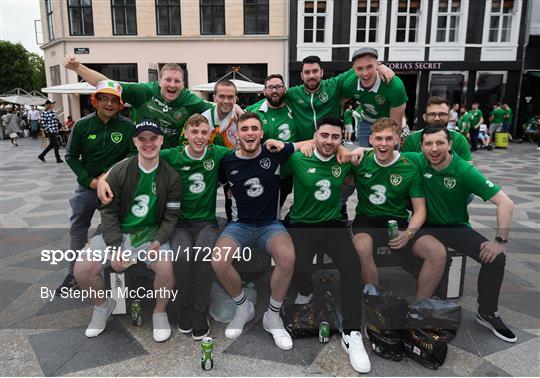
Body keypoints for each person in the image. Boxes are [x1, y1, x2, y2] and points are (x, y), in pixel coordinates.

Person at [74, 119, 181, 342]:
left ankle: (160, 312)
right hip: (116, 232)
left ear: (161, 140)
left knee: (165, 268)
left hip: (149, 233)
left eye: (153, 138)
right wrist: (114, 248)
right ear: (135, 141)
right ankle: (103, 306)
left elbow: (171, 216)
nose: (148, 143)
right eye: (142, 139)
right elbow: (109, 211)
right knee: (82, 269)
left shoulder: (171, 176)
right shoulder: (120, 170)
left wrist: (160, 239)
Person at [410, 126, 516, 343]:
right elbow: (381, 150)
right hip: (424, 225)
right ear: (421, 147)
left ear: (450, 145)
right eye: (428, 144)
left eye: (440, 143)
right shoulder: (417, 160)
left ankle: (487, 312)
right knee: (432, 253)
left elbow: (505, 202)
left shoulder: (463, 170)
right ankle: (424, 307)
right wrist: (352, 151)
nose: (434, 148)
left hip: (455, 226)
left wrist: (499, 241)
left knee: (496, 258)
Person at [281, 115, 370, 373]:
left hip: (332, 224)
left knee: (353, 266)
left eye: (335, 136)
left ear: (342, 138)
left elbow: (374, 153)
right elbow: (271, 161)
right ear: (315, 135)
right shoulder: (299, 158)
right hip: (301, 222)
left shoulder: (344, 160)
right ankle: (305, 291)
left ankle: (352, 332)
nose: (329, 141)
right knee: (298, 266)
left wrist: (353, 150)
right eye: (324, 135)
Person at [211, 112, 296, 351]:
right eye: (244, 129)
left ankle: (273, 315)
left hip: (270, 223)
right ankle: (242, 306)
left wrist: (344, 149)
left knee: (287, 257)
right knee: (218, 260)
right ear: (237, 134)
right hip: (240, 225)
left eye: (254, 128)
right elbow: (212, 182)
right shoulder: (227, 161)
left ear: (261, 133)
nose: (249, 133)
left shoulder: (274, 153)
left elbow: (309, 144)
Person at [350, 118, 446, 302]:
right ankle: (375, 304)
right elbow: (335, 151)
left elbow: (420, 210)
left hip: (398, 222)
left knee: (437, 252)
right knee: (361, 247)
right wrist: (355, 149)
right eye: (378, 138)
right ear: (370, 140)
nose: (383, 143)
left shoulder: (408, 167)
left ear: (397, 140)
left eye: (388, 138)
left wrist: (408, 233)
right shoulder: (360, 160)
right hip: (367, 220)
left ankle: (420, 308)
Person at [57, 81, 135, 293]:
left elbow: (131, 155)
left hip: (115, 187)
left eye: (114, 100)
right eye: (104, 99)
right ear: (96, 100)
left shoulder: (128, 126)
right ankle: (73, 274)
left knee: (118, 229)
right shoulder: (82, 125)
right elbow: (71, 157)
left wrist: (108, 175)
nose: (109, 104)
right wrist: (90, 180)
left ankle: (115, 271)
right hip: (87, 187)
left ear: (120, 104)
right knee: (78, 228)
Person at [161, 114, 231, 340]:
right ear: (186, 134)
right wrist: (106, 176)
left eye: (204, 132)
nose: (199, 137)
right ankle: (185, 304)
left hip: (206, 222)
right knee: (181, 257)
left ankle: (201, 308)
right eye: (195, 132)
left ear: (209, 135)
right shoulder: (173, 155)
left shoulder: (215, 153)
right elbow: (142, 156)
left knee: (203, 256)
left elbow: (245, 152)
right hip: (180, 223)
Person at [64, 54, 212, 148]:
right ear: (160, 81)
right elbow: (108, 84)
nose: (172, 85)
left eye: (177, 81)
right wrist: (78, 67)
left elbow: (214, 109)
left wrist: (235, 108)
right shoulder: (144, 91)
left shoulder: (190, 99)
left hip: (170, 156)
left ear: (183, 84)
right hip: (141, 151)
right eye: (168, 80)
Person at [284, 55, 395, 142]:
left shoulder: (333, 84)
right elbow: (272, 99)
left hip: (331, 145)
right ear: (301, 76)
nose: (311, 76)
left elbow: (357, 67)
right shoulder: (293, 93)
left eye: (315, 71)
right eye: (307, 72)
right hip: (305, 146)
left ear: (322, 72)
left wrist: (380, 65)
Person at [247, 73, 299, 208]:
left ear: (285, 89)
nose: (274, 91)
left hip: (287, 171)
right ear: (264, 91)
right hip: (263, 170)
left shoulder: (295, 109)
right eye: (270, 87)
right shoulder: (254, 112)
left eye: (278, 87)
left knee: (278, 205)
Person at [344, 47, 408, 147]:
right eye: (359, 68)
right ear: (354, 68)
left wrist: (396, 140)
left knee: (389, 155)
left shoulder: (394, 86)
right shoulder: (349, 83)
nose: (365, 73)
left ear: (377, 65)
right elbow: (338, 103)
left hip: (388, 123)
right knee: (365, 157)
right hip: (366, 120)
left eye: (369, 67)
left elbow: (395, 123)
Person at [201, 80, 238, 221]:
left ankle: (232, 227)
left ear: (236, 98)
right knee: (203, 201)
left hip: (231, 166)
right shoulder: (204, 118)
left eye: (230, 97)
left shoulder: (241, 118)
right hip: (208, 166)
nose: (226, 101)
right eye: (222, 96)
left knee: (233, 205)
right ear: (214, 97)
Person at [402, 97, 472, 162]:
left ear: (449, 117)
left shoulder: (459, 140)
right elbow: (405, 169)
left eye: (442, 114)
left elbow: (468, 172)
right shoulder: (412, 139)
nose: (437, 118)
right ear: (425, 117)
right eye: (432, 114)